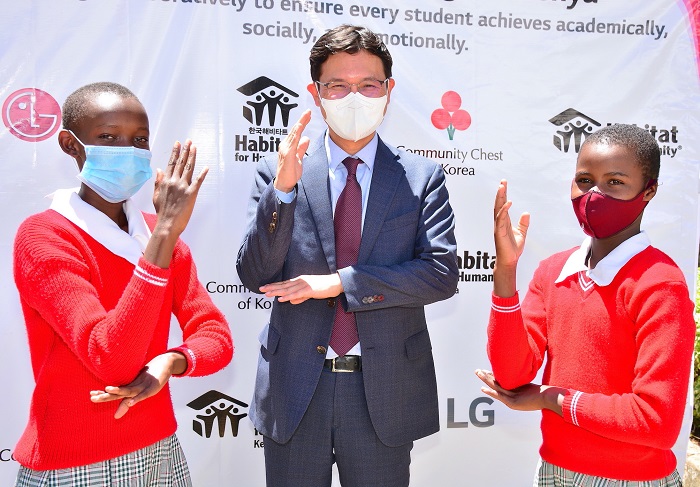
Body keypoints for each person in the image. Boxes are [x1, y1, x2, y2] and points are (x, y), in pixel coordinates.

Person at [237, 24, 458, 487]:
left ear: (388, 91)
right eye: (337, 85)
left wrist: (340, 282)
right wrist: (284, 189)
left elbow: (439, 274)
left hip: (385, 389)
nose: (353, 97)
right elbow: (256, 272)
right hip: (297, 385)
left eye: (368, 85)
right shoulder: (280, 171)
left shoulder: (421, 177)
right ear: (316, 94)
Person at [12, 82, 233, 486]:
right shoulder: (44, 236)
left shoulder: (157, 236)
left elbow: (215, 337)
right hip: (75, 464)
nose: (127, 151)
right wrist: (164, 234)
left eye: (139, 140)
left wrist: (171, 361)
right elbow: (110, 358)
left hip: (160, 450)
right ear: (70, 144)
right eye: (108, 137)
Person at [476, 123, 694, 486]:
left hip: (631, 480)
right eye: (584, 179)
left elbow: (656, 422)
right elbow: (512, 376)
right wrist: (506, 273)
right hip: (553, 473)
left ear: (649, 190)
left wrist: (551, 399)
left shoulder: (659, 283)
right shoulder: (554, 271)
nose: (594, 194)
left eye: (615, 182)